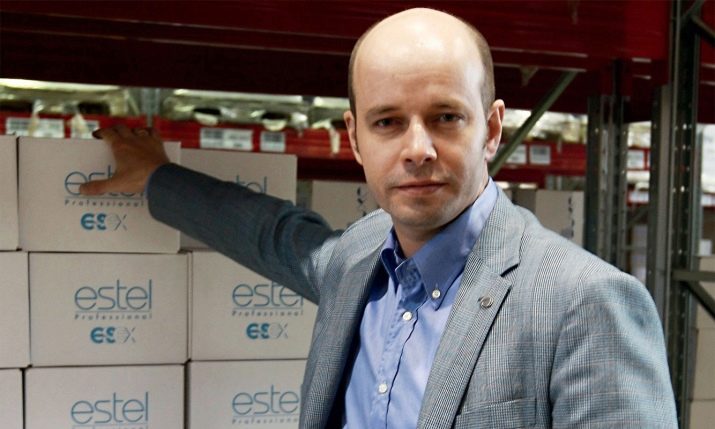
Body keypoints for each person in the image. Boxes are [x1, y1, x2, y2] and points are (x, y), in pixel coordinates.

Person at [80, 7, 677, 429]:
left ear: (492, 128)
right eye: (388, 122)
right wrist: (158, 177)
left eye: (446, 117)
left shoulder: (585, 302)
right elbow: (273, 236)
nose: (417, 149)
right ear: (355, 138)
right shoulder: (358, 260)